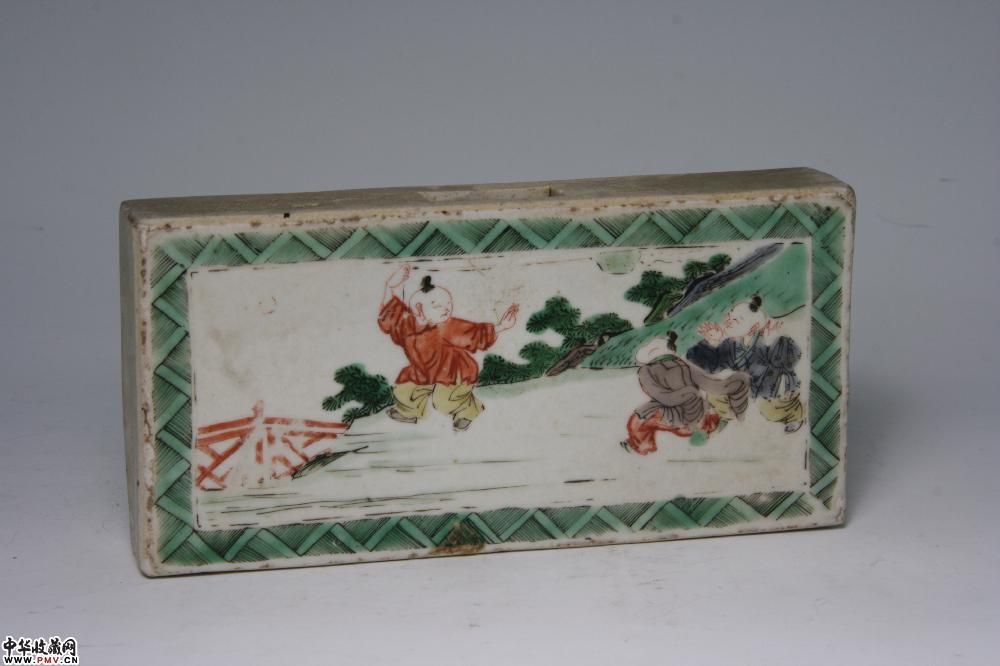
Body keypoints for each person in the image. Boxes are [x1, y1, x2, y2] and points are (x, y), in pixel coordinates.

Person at [377, 263, 519, 430]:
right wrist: (390, 285)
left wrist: (501, 326)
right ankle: (409, 412)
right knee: (406, 388)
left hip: (454, 372)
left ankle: (467, 411)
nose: (446, 309)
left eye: (448, 303)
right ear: (419, 309)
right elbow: (389, 315)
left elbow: (473, 334)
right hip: (423, 370)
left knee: (443, 401)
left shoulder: (447, 326)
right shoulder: (406, 326)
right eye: (437, 306)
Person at [686, 295, 805, 432]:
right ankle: (728, 417)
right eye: (730, 315)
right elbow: (711, 365)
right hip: (746, 390)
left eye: (735, 320)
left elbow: (793, 358)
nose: (728, 321)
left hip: (774, 390)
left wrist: (775, 341)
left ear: (754, 327)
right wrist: (713, 342)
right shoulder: (730, 343)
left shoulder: (766, 339)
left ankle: (793, 417)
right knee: (715, 395)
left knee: (771, 410)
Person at [623, 331, 750, 455]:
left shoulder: (646, 371)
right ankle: (709, 427)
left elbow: (659, 395)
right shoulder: (682, 365)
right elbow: (710, 384)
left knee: (639, 420)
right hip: (693, 415)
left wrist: (687, 394)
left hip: (677, 416)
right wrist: (731, 384)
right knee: (702, 413)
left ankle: (642, 445)